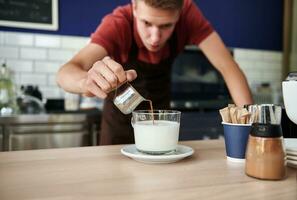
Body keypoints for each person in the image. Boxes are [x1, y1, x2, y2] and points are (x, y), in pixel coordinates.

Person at [56, 0, 253, 145]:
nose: (155, 38)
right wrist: (85, 81)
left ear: (180, 12)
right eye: (147, 23)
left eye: (167, 26)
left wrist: (251, 128)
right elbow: (67, 71)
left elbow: (229, 68)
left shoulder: (189, 15)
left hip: (161, 120)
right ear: (134, 7)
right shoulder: (117, 24)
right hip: (118, 126)